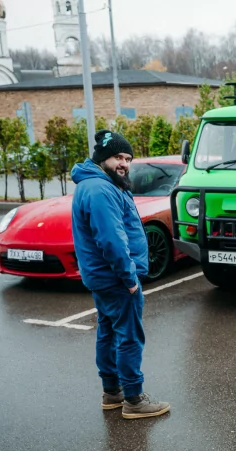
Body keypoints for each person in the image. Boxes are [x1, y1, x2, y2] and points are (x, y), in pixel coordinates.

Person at [71, 130, 170, 420]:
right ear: (103, 159)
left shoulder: (102, 184)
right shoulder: (100, 190)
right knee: (129, 336)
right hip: (116, 279)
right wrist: (129, 279)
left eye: (127, 158)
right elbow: (112, 241)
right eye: (118, 157)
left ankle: (112, 392)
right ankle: (134, 400)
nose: (124, 163)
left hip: (103, 278)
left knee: (108, 331)